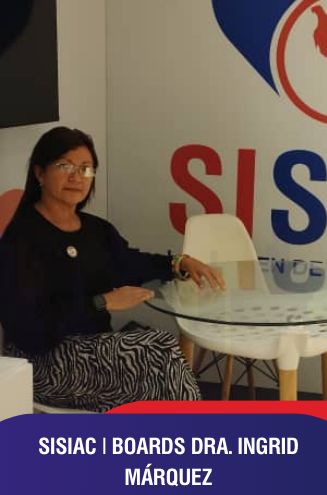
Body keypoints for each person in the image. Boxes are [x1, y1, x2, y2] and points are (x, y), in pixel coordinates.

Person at [0, 126, 224, 412]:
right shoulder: (21, 238)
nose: (76, 177)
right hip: (43, 362)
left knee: (159, 363)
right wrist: (101, 302)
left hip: (97, 352)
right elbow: (28, 329)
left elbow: (130, 263)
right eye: (65, 166)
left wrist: (178, 263)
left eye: (85, 168)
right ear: (40, 173)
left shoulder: (96, 230)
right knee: (159, 352)